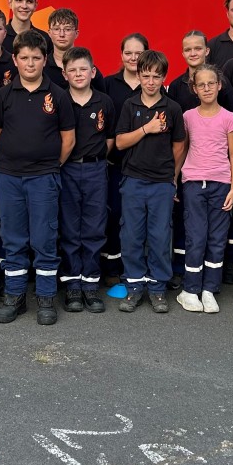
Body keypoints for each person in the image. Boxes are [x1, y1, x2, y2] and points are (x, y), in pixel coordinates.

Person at [0, 29, 75, 325]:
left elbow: (68, 138)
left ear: (45, 60)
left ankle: (46, 296)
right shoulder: (3, 95)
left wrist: (49, 166)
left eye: (36, 58)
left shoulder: (59, 96)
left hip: (44, 178)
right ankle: (14, 296)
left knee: (44, 238)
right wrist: (14, 159)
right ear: (14, 59)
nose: (29, 63)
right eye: (24, 58)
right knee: (12, 239)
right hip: (9, 177)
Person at [114, 49, 186, 313]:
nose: (151, 81)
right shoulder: (129, 105)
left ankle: (157, 288)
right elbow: (120, 142)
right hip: (133, 180)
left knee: (159, 235)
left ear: (164, 78)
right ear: (139, 75)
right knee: (132, 235)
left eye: (157, 76)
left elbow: (179, 144)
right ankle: (134, 287)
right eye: (146, 76)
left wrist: (173, 176)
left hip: (160, 183)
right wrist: (146, 128)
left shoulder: (173, 108)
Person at [177, 64, 233, 314]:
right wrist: (174, 178)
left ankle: (209, 289)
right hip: (193, 183)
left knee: (216, 239)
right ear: (194, 89)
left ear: (219, 85)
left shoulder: (228, 117)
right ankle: (190, 289)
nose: (206, 88)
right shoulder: (188, 117)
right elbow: (182, 149)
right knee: (196, 237)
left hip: (221, 184)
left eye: (211, 83)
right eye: (201, 84)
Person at [58, 46, 115, 314]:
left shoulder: (104, 102)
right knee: (70, 227)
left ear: (93, 72)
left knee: (94, 226)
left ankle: (90, 284)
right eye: (73, 70)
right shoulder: (58, 100)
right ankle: (72, 285)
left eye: (83, 69)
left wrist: (98, 158)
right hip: (67, 169)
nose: (78, 74)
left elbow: (110, 137)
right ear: (64, 74)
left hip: (95, 170)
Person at [102, 33, 149, 280]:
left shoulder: (152, 85)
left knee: (138, 219)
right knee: (112, 215)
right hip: (114, 164)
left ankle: (135, 269)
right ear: (121, 55)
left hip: (143, 167)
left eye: (138, 53)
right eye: (128, 53)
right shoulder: (108, 84)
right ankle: (111, 267)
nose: (133, 58)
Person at [167, 30, 233, 113]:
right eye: (188, 50)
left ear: (207, 51)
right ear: (183, 54)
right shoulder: (175, 86)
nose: (193, 54)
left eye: (198, 49)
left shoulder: (222, 82)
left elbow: (231, 117)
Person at [42, 8, 105, 91]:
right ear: (49, 33)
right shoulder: (41, 67)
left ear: (76, 33)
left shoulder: (88, 70)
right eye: (56, 29)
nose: (62, 34)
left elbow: (102, 100)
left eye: (67, 29)